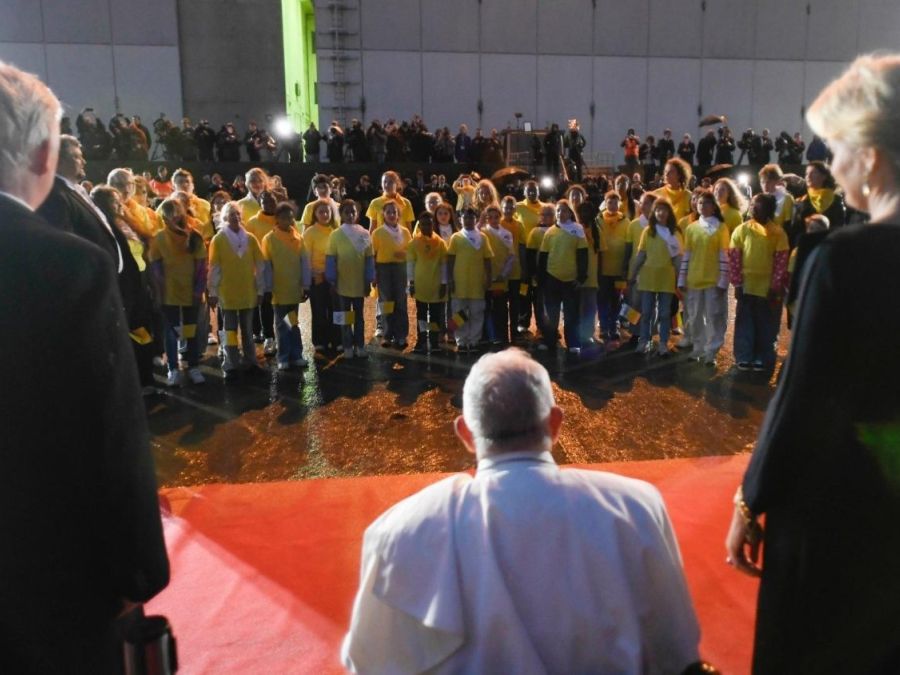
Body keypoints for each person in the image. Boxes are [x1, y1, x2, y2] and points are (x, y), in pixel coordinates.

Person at [343, 348, 702, 673]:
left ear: (466, 433)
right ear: (555, 424)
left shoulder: (396, 533)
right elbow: (677, 650)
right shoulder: (637, 507)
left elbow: (370, 663)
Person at [725, 54, 900, 674]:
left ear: (873, 156)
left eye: (836, 148)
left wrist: (752, 500)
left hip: (847, 513)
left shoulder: (845, 259)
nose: (832, 164)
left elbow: (802, 398)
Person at [0, 59, 169, 673]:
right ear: (44, 154)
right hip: (41, 576)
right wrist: (138, 568)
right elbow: (108, 432)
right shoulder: (61, 268)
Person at [727, 193, 789, 372]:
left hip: (767, 288)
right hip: (747, 286)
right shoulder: (742, 229)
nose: (753, 208)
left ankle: (763, 357)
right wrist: (737, 284)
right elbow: (735, 258)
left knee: (766, 324)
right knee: (745, 322)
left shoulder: (778, 233)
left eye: (758, 205)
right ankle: (744, 356)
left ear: (769, 209)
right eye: (752, 204)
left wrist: (775, 286)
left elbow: (781, 261)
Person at [149, 199, 208, 386]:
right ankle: (173, 368)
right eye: (170, 214)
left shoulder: (195, 237)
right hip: (169, 294)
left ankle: (193, 366)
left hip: (192, 293)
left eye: (177, 213)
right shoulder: (159, 238)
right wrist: (160, 291)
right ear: (164, 219)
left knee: (191, 330)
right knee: (171, 332)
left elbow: (201, 267)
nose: (175, 217)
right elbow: (155, 266)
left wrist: (198, 290)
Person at [208, 201, 265, 381]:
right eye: (231, 214)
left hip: (248, 291)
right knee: (229, 331)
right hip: (227, 292)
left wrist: (261, 289)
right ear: (225, 218)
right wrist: (212, 292)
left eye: (238, 214)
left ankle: (251, 361)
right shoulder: (218, 239)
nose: (235, 217)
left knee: (248, 330)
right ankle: (230, 363)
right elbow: (214, 267)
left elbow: (261, 266)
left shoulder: (250, 238)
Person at [677, 190, 730, 366]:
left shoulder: (721, 228)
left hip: (713, 281)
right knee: (695, 315)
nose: (702, 206)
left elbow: (724, 255)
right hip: (694, 279)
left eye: (706, 203)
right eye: (700, 203)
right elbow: (687, 255)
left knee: (714, 315)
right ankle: (698, 347)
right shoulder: (691, 228)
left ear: (714, 206)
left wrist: (724, 280)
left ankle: (711, 351)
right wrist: (682, 279)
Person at [630, 198, 683, 356]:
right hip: (648, 278)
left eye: (664, 209)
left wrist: (681, 279)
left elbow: (677, 259)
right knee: (646, 312)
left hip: (666, 278)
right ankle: (644, 341)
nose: (661, 212)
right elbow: (641, 255)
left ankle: (663, 343)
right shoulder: (648, 231)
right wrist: (633, 273)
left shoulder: (674, 233)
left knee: (664, 313)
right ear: (654, 212)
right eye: (658, 209)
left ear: (669, 213)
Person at [261, 201, 310, 370]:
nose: (287, 220)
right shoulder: (269, 239)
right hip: (278, 291)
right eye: (283, 217)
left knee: (293, 323)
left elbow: (304, 263)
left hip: (293, 290)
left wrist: (306, 285)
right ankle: (283, 356)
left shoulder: (298, 238)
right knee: (282, 325)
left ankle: (296, 355)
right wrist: (267, 288)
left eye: (290, 217)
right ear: (277, 219)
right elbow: (266, 266)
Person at [326, 200, 375, 358]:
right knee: (345, 317)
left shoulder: (365, 234)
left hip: (359, 284)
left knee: (359, 317)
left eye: (353, 212)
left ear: (358, 214)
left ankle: (359, 345)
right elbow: (331, 259)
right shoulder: (335, 235)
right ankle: (347, 345)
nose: (350, 215)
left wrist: (369, 280)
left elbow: (369, 259)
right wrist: (332, 280)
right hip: (342, 284)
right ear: (341, 215)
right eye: (346, 212)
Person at [539, 199, 587, 354]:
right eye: (558, 210)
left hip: (571, 280)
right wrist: (542, 279)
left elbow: (582, 254)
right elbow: (544, 257)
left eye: (564, 210)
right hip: (553, 278)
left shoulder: (578, 229)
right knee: (551, 314)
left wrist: (581, 277)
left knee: (571, 314)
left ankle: (573, 342)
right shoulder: (550, 232)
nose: (561, 213)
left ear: (570, 212)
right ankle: (550, 342)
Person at [447, 207, 494, 353]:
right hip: (460, 283)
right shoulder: (456, 237)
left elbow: (487, 260)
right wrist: (450, 279)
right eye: (465, 218)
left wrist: (488, 278)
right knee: (458, 314)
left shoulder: (483, 237)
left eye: (471, 218)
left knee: (476, 313)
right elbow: (450, 259)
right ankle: (461, 341)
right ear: (460, 220)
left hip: (477, 283)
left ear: (476, 219)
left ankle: (474, 341)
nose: (468, 220)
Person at [372, 201, 412, 349]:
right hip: (384, 269)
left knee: (401, 301)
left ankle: (402, 335)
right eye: (388, 212)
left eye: (394, 212)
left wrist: (404, 253)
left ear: (398, 214)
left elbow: (411, 250)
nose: (391, 215)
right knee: (386, 303)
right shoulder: (378, 233)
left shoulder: (405, 232)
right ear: (383, 214)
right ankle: (387, 335)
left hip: (400, 269)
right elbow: (373, 255)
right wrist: (374, 274)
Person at [407, 211, 448, 353]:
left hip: (436, 285)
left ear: (433, 225)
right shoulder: (414, 243)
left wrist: (443, 283)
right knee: (422, 315)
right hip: (421, 285)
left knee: (436, 315)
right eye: (423, 224)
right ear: (419, 225)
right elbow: (410, 264)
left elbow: (443, 264)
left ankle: (434, 341)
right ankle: (422, 340)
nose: (426, 226)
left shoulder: (440, 243)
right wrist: (411, 283)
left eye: (429, 223)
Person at [787, 160, 845, 247]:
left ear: (824, 176)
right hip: (804, 248)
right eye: (806, 174)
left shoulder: (835, 201)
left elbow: (838, 229)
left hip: (826, 247)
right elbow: (794, 231)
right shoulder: (801, 201)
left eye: (813, 173)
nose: (808, 177)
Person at [597, 190, 629, 343]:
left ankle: (613, 326)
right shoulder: (598, 220)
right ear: (605, 203)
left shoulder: (625, 221)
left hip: (618, 268)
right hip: (602, 268)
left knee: (617, 299)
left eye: (616, 202)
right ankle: (603, 326)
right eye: (610, 202)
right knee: (602, 298)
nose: (613, 205)